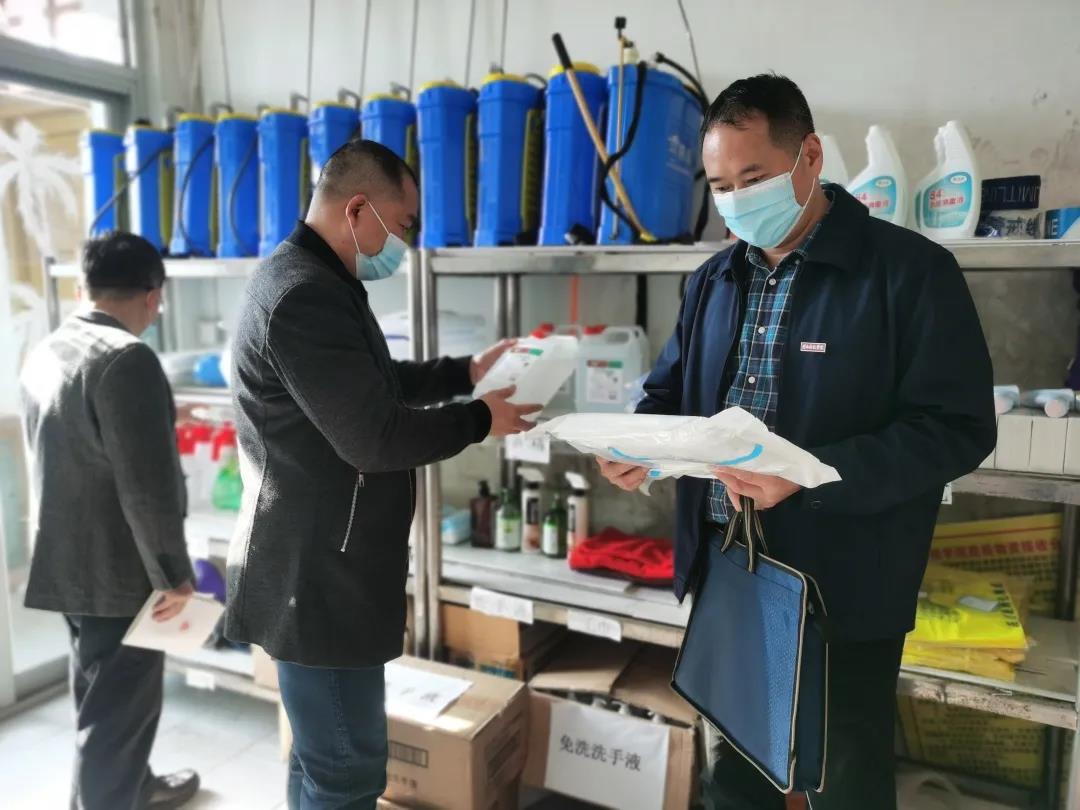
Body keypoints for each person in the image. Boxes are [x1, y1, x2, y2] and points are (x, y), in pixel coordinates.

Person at [598, 75, 996, 810]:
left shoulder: (908, 273)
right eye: (721, 186)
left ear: (809, 156)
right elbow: (669, 393)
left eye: (753, 178)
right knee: (733, 772)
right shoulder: (714, 279)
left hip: (844, 583)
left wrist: (813, 474)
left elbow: (958, 428)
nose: (736, 201)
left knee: (842, 777)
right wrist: (637, 443)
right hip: (729, 567)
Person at [225, 138, 537, 809]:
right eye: (404, 224)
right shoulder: (303, 295)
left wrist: (463, 373)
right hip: (317, 577)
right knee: (346, 771)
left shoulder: (316, 279)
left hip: (321, 561)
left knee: (319, 759)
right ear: (358, 209)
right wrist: (480, 419)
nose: (406, 242)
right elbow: (374, 437)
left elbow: (368, 386)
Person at [19, 232, 201, 810]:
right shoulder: (129, 358)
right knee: (118, 716)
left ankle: (135, 786)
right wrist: (173, 576)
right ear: (153, 297)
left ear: (84, 288)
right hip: (120, 573)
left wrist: (162, 413)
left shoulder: (50, 348)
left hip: (65, 560)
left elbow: (76, 436)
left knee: (99, 699)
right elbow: (147, 491)